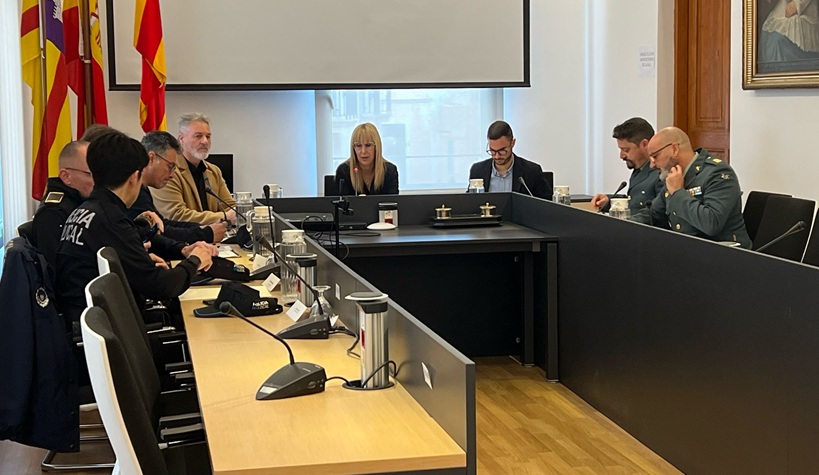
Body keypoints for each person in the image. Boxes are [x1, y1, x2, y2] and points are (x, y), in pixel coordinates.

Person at [55, 131, 213, 328]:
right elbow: (160, 286)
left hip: (86, 321)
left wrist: (144, 259)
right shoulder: (110, 219)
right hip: (109, 327)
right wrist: (196, 260)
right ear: (134, 177)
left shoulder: (86, 210)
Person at [630, 127, 751, 248]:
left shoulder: (717, 173)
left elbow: (711, 223)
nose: (651, 165)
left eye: (655, 156)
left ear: (674, 149)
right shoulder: (674, 175)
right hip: (688, 250)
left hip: (722, 252)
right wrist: (626, 225)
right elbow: (653, 214)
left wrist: (677, 192)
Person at [130, 131, 228, 244]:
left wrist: (199, 228)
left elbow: (162, 224)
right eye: (170, 166)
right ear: (151, 158)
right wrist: (205, 234)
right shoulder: (134, 192)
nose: (172, 175)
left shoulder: (142, 189)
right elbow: (156, 233)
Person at [150, 113, 236, 224]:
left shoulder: (214, 171)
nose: (205, 141)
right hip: (182, 234)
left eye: (208, 136)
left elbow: (230, 207)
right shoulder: (168, 171)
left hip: (217, 233)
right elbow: (176, 215)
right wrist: (224, 217)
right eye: (198, 136)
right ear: (181, 139)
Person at [30, 141, 93, 266]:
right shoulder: (53, 213)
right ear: (66, 176)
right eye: (90, 174)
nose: (98, 180)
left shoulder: (80, 201)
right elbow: (55, 268)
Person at [591, 117, 663, 213]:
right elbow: (633, 201)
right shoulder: (639, 170)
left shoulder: (661, 173)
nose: (622, 156)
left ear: (644, 144)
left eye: (626, 150)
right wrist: (608, 202)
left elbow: (658, 211)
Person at [468, 120, 550, 199]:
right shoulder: (478, 170)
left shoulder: (531, 172)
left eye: (502, 151)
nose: (497, 156)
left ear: (512, 143)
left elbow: (546, 204)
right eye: (492, 151)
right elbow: (470, 202)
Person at [335, 123, 399, 195]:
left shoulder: (389, 171)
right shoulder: (343, 171)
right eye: (358, 145)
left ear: (376, 147)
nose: (363, 151)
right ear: (353, 148)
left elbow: (393, 201)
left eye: (368, 145)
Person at [759, 0, 819, 66]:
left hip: (803, 9)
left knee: (776, 40)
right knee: (766, 35)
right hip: (782, 7)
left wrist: (797, 3)